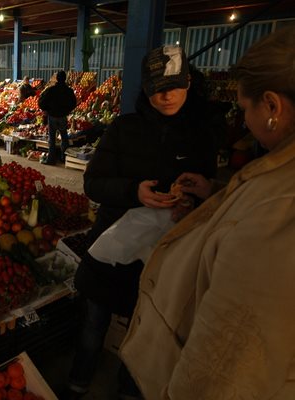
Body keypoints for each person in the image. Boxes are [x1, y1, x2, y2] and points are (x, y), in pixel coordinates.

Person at [120, 27, 295, 400]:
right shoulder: (126, 128)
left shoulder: (279, 211)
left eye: (246, 109)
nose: (244, 121)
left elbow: (229, 361)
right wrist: (214, 194)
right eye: (156, 89)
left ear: (273, 107)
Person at [62, 45, 223, 399]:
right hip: (112, 247)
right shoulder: (124, 128)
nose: (164, 95)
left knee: (147, 331)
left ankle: (129, 392)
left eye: (173, 86)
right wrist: (134, 192)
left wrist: (196, 199)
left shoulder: (201, 134)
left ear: (189, 82)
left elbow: (212, 192)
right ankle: (77, 383)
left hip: (167, 254)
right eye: (155, 88)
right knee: (94, 322)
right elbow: (93, 182)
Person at [38, 70, 77, 165]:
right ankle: (64, 158)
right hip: (63, 116)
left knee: (52, 139)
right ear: (65, 78)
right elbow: (74, 103)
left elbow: (41, 102)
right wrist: (67, 111)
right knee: (64, 137)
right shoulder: (69, 91)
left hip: (52, 116)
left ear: (57, 78)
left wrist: (46, 109)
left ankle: (51, 160)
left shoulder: (51, 90)